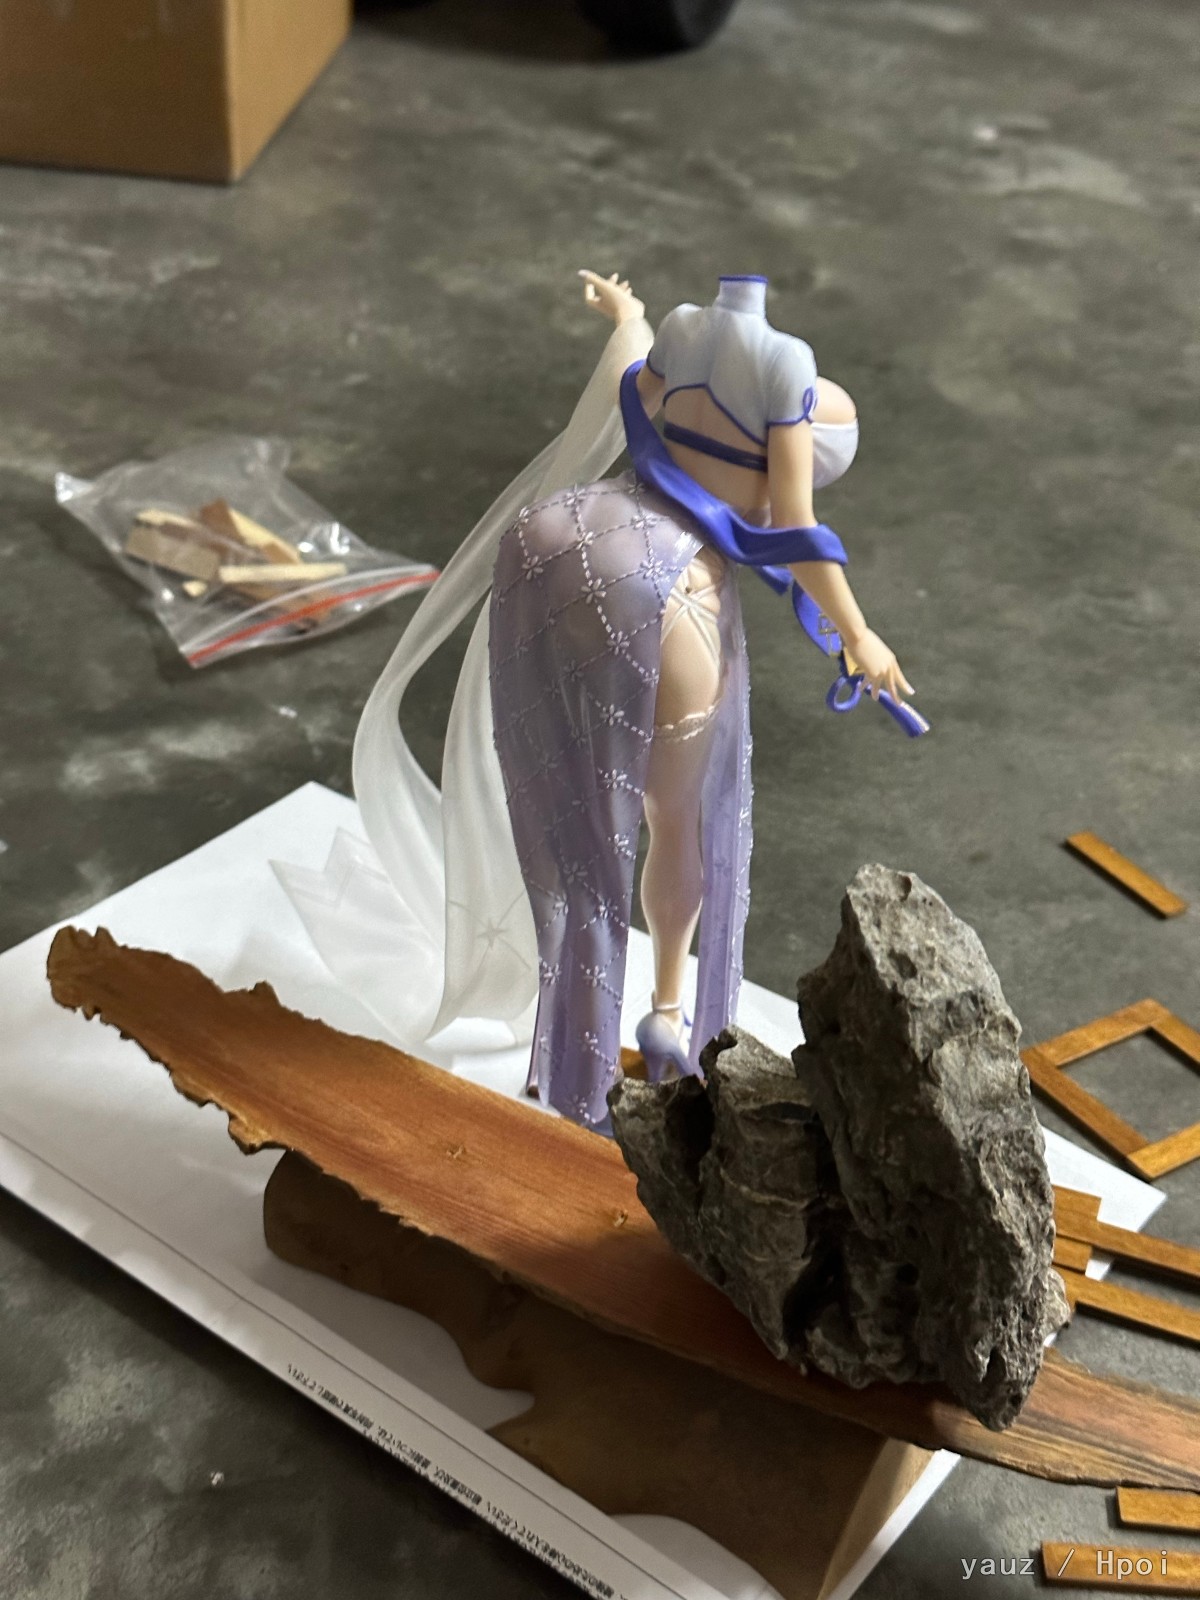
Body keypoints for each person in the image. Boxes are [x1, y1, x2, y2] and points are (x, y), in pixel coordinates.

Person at [278, 272, 913, 1136]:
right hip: (668, 579)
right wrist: (860, 634)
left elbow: (632, 390)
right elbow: (797, 524)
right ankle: (666, 1011)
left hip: (569, 533)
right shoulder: (786, 368)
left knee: (570, 817)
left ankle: (570, 1033)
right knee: (675, 818)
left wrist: (628, 315)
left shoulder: (682, 331)